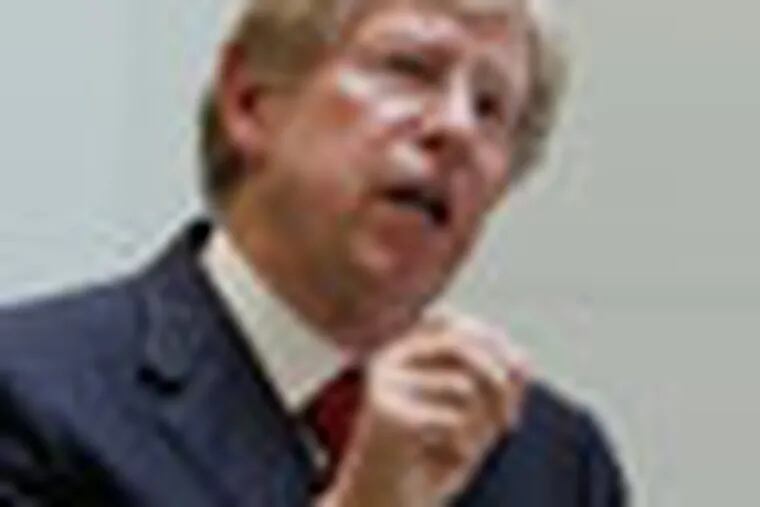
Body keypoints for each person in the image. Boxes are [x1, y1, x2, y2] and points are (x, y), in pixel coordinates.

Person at [0, 0, 628, 505]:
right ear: (250, 102)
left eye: (491, 107)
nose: (457, 128)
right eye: (410, 70)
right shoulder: (29, 394)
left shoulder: (555, 464)